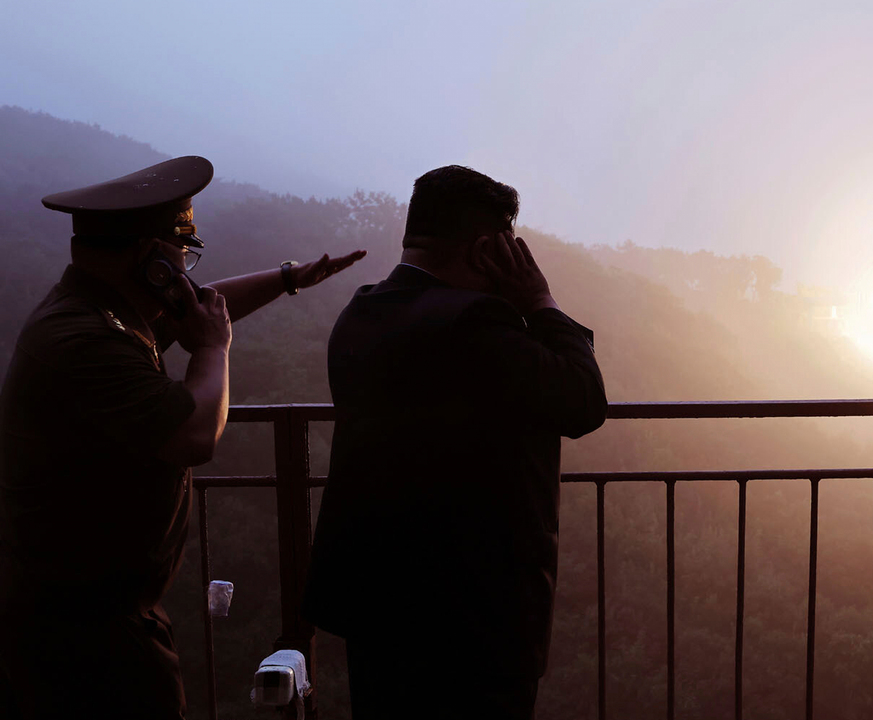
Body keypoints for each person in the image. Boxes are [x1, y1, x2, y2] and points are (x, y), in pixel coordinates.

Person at [0, 156, 366, 719]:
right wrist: (213, 349)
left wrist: (290, 278)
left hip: (94, 611)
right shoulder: (84, 340)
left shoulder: (106, 311)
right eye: (181, 255)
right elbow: (195, 435)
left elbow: (199, 306)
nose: (187, 271)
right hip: (83, 633)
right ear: (150, 262)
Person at [303, 165, 608, 718]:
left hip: (375, 604)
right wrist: (540, 300)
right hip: (474, 619)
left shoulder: (360, 312)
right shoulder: (474, 323)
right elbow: (583, 401)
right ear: (487, 249)